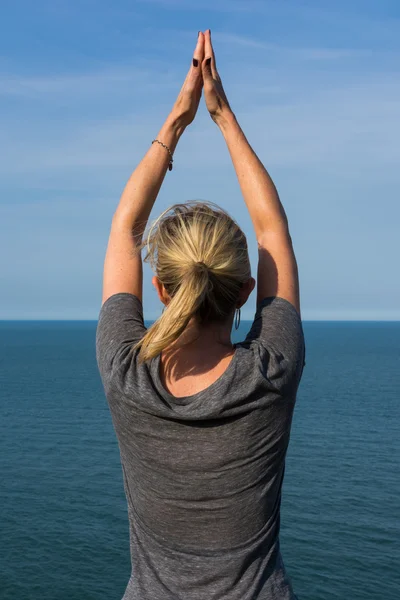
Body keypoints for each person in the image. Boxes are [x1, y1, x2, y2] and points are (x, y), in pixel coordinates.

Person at [96, 29, 305, 600]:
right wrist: (222, 115)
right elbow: (273, 230)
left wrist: (177, 120)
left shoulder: (127, 373)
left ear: (162, 290)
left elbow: (124, 228)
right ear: (244, 292)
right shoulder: (271, 372)